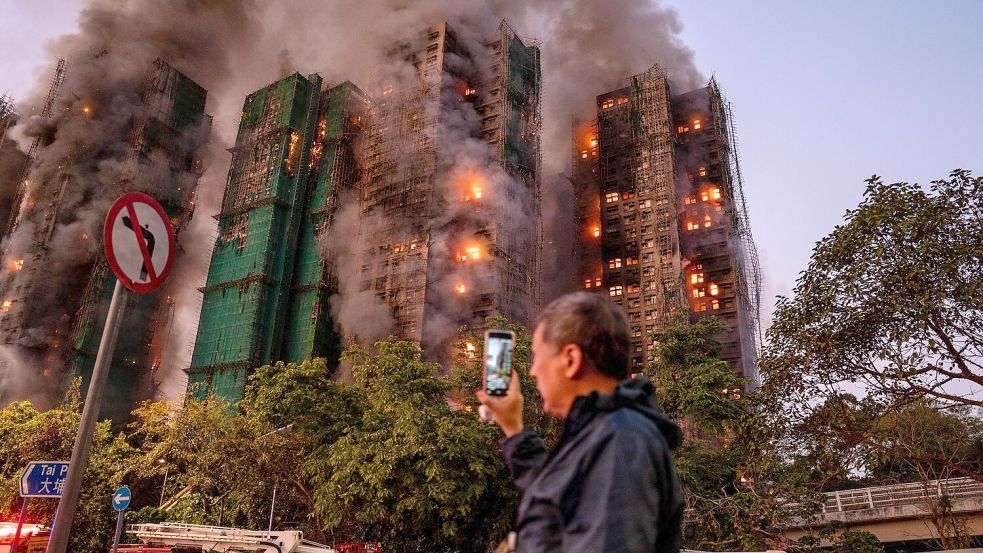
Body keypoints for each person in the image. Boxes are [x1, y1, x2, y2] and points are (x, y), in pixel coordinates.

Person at [477, 292, 684, 552]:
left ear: (571, 360)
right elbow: (558, 498)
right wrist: (512, 428)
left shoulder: (622, 440)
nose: (532, 371)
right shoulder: (604, 432)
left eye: (537, 356)